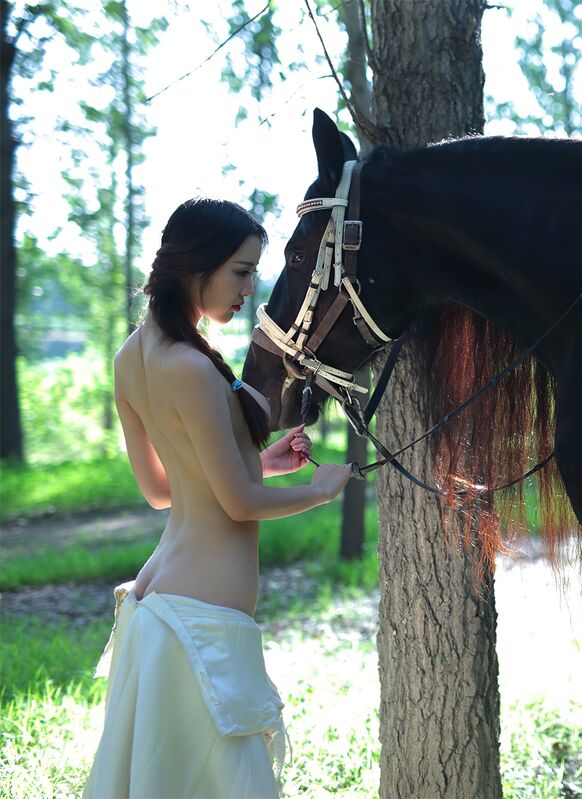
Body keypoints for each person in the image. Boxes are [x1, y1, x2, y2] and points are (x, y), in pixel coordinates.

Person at [82, 197, 354, 799]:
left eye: (253, 271)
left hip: (168, 610)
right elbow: (235, 504)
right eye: (240, 270)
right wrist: (317, 490)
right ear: (195, 265)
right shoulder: (190, 365)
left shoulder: (132, 356)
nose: (249, 288)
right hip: (196, 627)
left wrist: (258, 463)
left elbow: (162, 487)